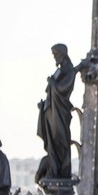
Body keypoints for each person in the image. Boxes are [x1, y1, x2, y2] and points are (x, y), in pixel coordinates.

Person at [36, 43, 77, 181]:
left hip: (61, 113)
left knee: (61, 141)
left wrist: (52, 83)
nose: (55, 58)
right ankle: (54, 170)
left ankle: (61, 170)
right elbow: (51, 93)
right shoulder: (60, 70)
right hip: (52, 113)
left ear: (62, 55)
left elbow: (63, 89)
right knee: (53, 142)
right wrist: (43, 106)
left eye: (56, 55)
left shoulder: (69, 70)